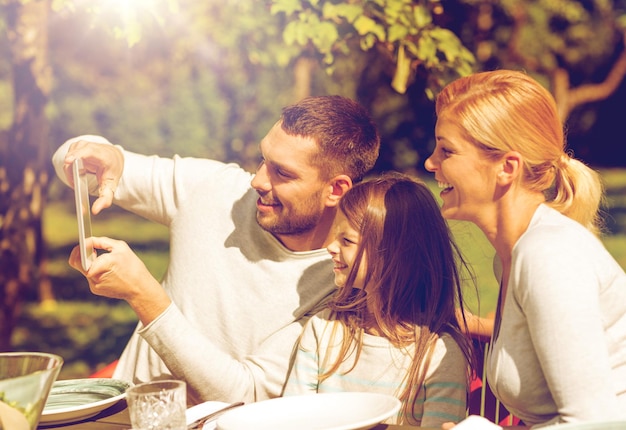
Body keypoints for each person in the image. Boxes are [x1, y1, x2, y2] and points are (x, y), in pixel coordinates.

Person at [51, 95, 381, 405]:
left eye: (283, 173)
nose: (259, 181)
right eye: (264, 160)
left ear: (335, 189)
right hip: (127, 417)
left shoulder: (340, 282)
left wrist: (144, 295)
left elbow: (245, 394)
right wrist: (109, 158)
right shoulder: (214, 187)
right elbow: (71, 159)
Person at [424, 69, 626, 428]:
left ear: (507, 167)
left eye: (446, 150)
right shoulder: (515, 256)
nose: (430, 163)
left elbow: (597, 422)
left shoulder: (548, 257)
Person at [283, 172, 475, 427]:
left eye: (346, 240)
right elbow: (291, 419)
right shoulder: (323, 329)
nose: (330, 246)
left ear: (394, 255)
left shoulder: (439, 354)